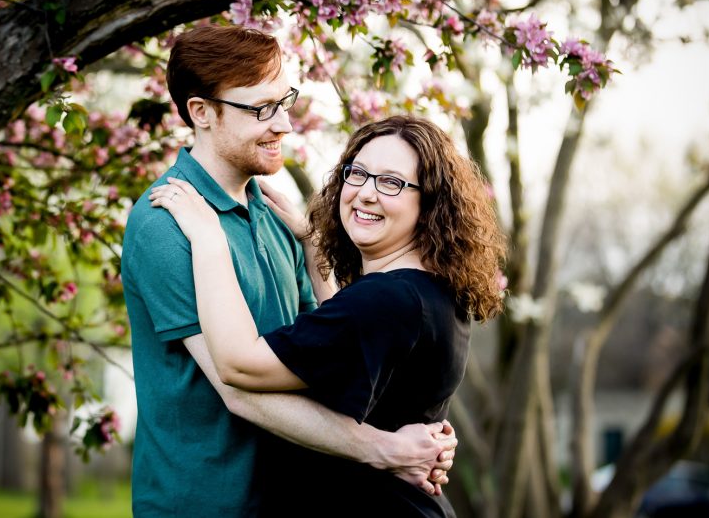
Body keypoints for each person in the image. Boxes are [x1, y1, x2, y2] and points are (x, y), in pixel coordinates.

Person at [121, 27, 457, 517]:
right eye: (261, 109)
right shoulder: (166, 224)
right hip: (205, 503)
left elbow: (325, 349)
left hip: (287, 498)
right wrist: (386, 450)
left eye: (284, 103)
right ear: (202, 113)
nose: (284, 125)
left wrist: (419, 424)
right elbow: (239, 388)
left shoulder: (277, 216)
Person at [151, 115, 506, 517]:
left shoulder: (387, 300)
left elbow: (239, 365)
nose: (365, 194)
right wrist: (312, 244)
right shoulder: (429, 291)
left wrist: (209, 240)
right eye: (357, 174)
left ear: (430, 202)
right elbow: (347, 341)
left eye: (391, 183)